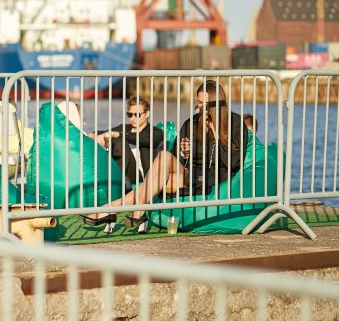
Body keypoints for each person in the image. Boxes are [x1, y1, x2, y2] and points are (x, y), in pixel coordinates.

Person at [84, 80, 244, 233]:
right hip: (189, 172)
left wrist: (215, 133)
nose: (199, 107)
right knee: (164, 156)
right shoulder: (192, 122)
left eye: (204, 103)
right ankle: (137, 211)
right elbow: (176, 157)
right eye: (199, 102)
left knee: (153, 183)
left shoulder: (235, 123)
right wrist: (184, 153)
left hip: (214, 175)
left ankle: (109, 209)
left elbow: (233, 162)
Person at [95, 97, 165, 185]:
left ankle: (115, 181)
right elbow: (101, 132)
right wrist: (92, 135)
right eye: (130, 115)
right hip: (123, 173)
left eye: (137, 114)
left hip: (142, 177)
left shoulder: (156, 133)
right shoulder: (124, 128)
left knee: (120, 141)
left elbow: (141, 138)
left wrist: (117, 134)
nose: (133, 118)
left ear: (147, 114)